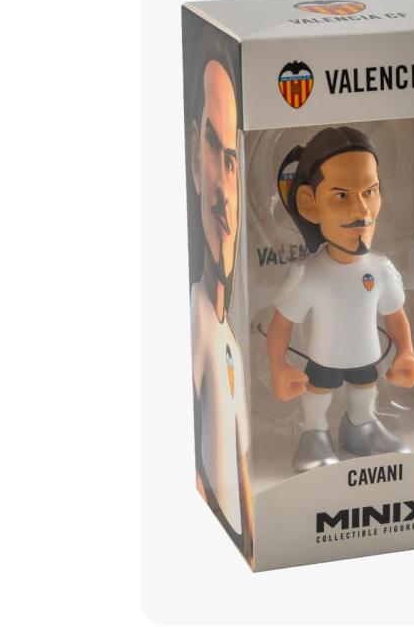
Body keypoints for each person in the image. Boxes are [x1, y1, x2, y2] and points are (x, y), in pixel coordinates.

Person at [266, 127, 414, 472]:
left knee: (365, 384)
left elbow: (395, 315)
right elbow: (281, 325)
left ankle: (362, 425)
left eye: (369, 192)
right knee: (318, 390)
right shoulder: (309, 274)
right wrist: (278, 367)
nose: (361, 209)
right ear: (310, 203)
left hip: (365, 355)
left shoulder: (381, 269)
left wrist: (407, 352)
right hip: (324, 358)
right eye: (341, 195)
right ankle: (314, 432)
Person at [186, 27, 253, 555]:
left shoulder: (231, 340)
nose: (223, 193)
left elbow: (245, 466)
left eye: (232, 160)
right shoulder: (196, 316)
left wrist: (253, 546)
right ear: (192, 153)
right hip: (209, 538)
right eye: (212, 145)